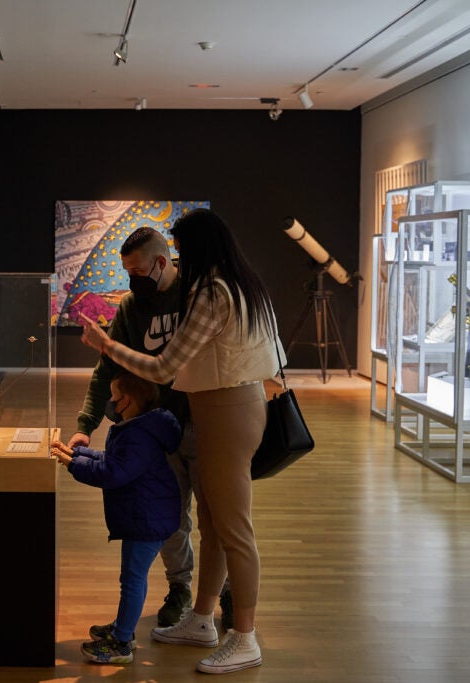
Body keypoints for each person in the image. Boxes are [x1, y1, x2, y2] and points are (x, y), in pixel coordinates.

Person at [80, 208, 282, 675]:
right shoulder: (242, 284)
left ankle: (245, 636)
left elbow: (162, 368)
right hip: (226, 410)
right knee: (212, 524)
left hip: (227, 413)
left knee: (234, 530)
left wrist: (106, 345)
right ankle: (202, 619)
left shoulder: (213, 292)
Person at [69, 226, 234, 630]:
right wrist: (84, 425)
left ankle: (226, 593)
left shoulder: (197, 297)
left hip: (205, 424)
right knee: (170, 518)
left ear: (162, 262)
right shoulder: (129, 308)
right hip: (159, 431)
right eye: (127, 271)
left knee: (217, 519)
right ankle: (181, 589)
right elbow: (106, 370)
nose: (132, 280)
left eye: (138, 271)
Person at [50, 372, 182, 665]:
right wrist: (76, 453)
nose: (109, 402)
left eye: (113, 396)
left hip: (146, 518)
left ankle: (122, 642)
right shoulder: (139, 427)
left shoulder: (138, 435)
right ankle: (124, 629)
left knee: (133, 580)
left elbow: (112, 474)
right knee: (132, 578)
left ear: (127, 400)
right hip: (146, 513)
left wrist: (72, 463)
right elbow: (112, 461)